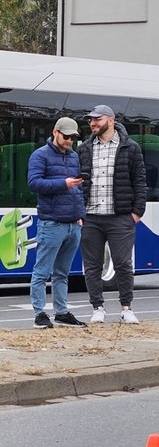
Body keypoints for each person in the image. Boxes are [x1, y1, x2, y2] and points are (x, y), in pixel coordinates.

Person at [78, 105, 147, 324]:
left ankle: (126, 308)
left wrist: (136, 213)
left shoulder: (131, 147)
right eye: (91, 120)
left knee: (123, 264)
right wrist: (79, 212)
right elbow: (78, 182)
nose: (93, 123)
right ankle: (97, 308)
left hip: (120, 217)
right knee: (91, 266)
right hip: (91, 216)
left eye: (97, 119)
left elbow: (140, 181)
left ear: (111, 120)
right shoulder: (84, 149)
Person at [27, 118, 87, 329]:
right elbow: (34, 183)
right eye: (66, 136)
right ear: (55, 132)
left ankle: (61, 312)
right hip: (51, 223)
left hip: (72, 223)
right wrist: (64, 184)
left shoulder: (73, 157)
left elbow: (78, 190)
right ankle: (39, 313)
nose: (70, 140)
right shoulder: (40, 155)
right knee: (42, 271)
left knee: (62, 272)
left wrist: (81, 216)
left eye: (73, 137)